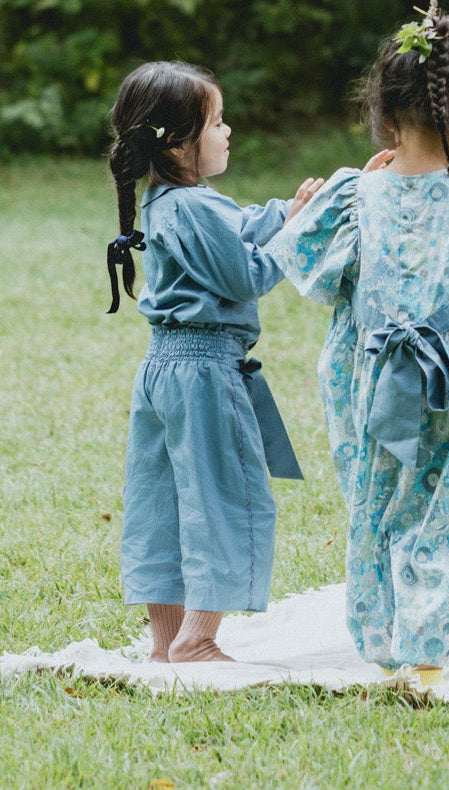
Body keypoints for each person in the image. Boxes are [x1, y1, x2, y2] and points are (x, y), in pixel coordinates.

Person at [268, 1, 449, 682]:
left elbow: (307, 268)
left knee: (373, 504)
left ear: (384, 119)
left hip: (360, 379)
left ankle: (380, 645)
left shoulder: (351, 196)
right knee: (444, 511)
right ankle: (424, 656)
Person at [106, 60, 323, 662]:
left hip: (161, 372)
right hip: (205, 372)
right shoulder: (195, 208)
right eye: (218, 122)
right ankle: (198, 639)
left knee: (163, 502)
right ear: (176, 141)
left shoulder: (169, 202)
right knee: (224, 495)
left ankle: (163, 643)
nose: (228, 132)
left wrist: (290, 210)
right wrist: (299, 232)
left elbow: (244, 226)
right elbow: (246, 271)